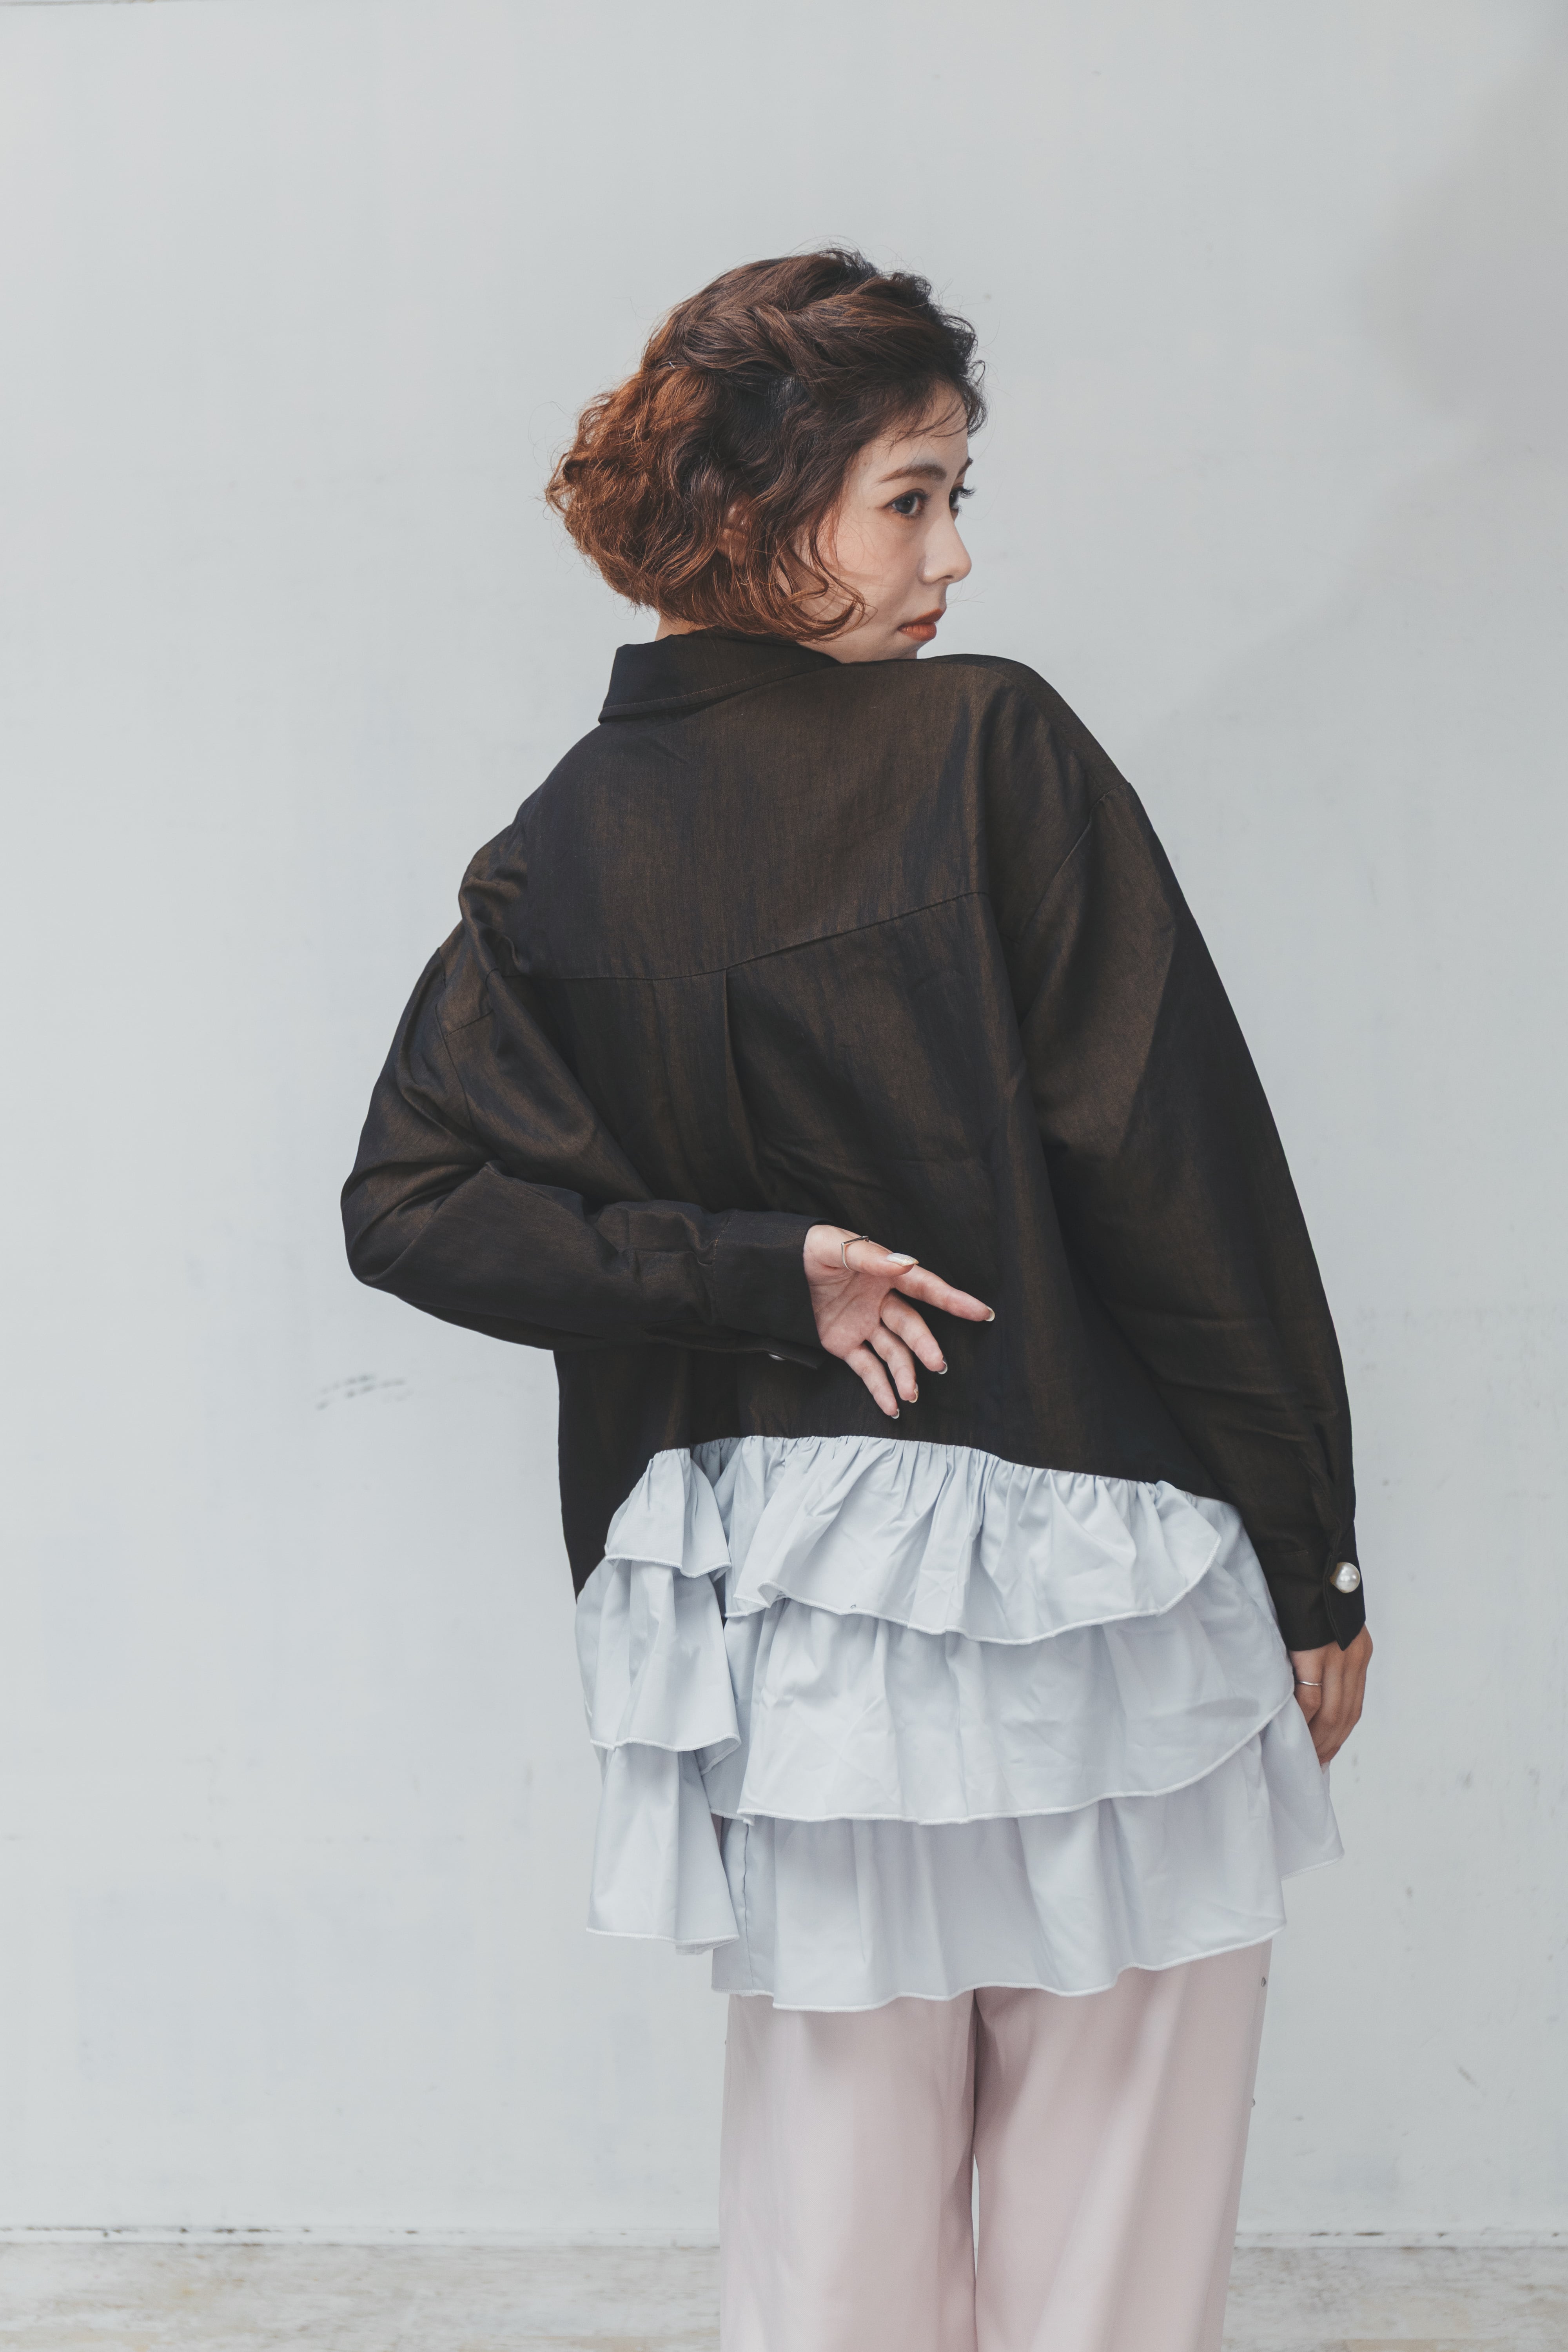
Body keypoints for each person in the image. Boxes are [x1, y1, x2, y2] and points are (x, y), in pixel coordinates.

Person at [342, 248, 1373, 2352]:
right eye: (911, 497)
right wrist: (1314, 1556)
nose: (954, 555)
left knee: (831, 2241)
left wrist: (745, 1277)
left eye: (952, 497)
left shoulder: (564, 846)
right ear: (755, 503)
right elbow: (1179, 1181)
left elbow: (411, 1201)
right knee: (1114, 2222)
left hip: (790, 1643)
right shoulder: (990, 746)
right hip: (1102, 1593)